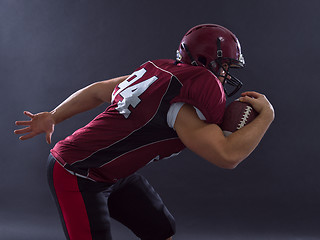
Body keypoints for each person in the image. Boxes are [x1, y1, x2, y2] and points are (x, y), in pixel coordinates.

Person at [14, 24, 274, 240]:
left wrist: (53, 115)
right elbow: (227, 156)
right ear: (207, 61)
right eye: (225, 67)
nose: (227, 75)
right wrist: (267, 116)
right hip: (76, 172)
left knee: (161, 230)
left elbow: (96, 89)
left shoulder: (159, 77)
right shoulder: (181, 107)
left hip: (112, 172)